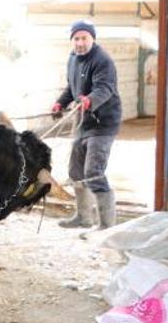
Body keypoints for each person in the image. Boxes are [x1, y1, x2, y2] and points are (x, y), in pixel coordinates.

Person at [52, 19, 122, 230]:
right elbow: (71, 88)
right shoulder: (73, 58)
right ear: (72, 40)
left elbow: (104, 88)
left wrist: (89, 101)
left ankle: (107, 226)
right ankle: (83, 217)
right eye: (76, 38)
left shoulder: (103, 61)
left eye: (84, 38)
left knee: (94, 172)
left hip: (103, 124)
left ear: (93, 38)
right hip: (83, 123)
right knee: (76, 171)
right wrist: (60, 103)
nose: (80, 42)